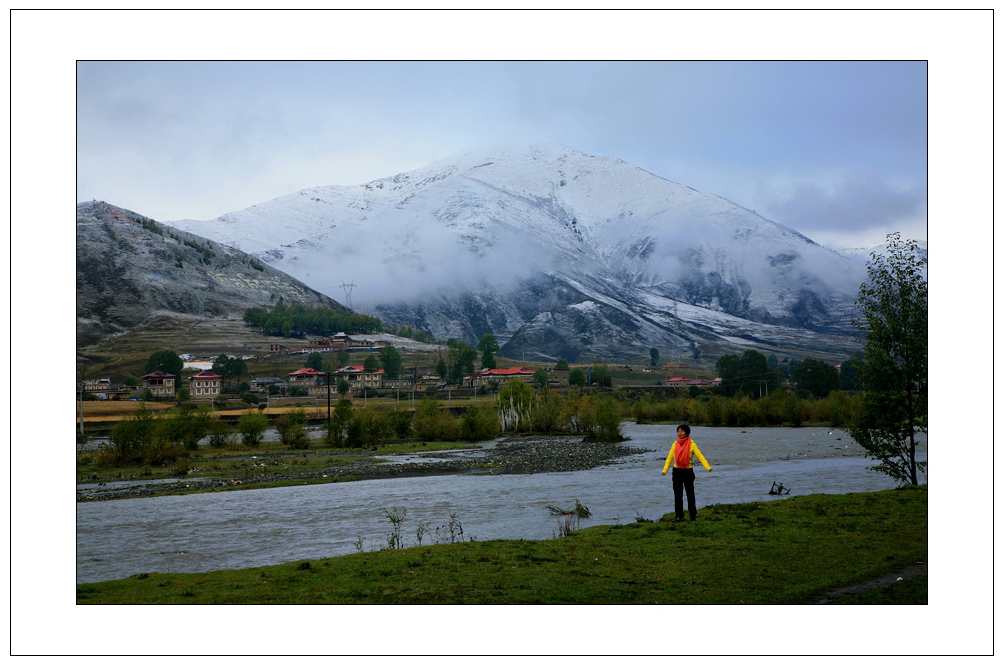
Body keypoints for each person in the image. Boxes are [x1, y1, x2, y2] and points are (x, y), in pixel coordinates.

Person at [661, 424, 712, 521]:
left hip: (688, 471)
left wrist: (707, 467)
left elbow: (700, 456)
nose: (679, 433)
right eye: (678, 431)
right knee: (678, 495)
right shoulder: (675, 444)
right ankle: (679, 516)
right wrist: (665, 470)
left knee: (690, 494)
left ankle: (693, 515)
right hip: (677, 471)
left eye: (681, 431)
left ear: (687, 433)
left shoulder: (692, 444)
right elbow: (670, 457)